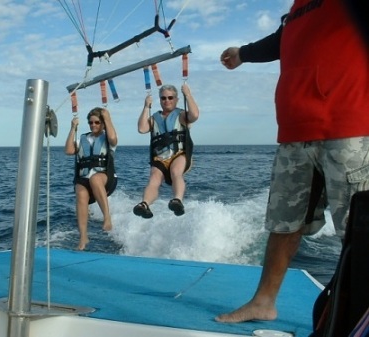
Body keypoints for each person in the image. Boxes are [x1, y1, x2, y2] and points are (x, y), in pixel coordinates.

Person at [215, 0, 369, 323]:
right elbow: (279, 41)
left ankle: (359, 319)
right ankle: (264, 302)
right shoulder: (300, 7)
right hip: (294, 131)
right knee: (283, 224)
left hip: (348, 127)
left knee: (358, 231)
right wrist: (242, 53)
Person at [133, 83, 199, 218]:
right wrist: (146, 106)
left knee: (176, 172)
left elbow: (195, 115)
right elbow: (142, 129)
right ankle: (145, 204)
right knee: (154, 178)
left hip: (179, 155)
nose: (167, 101)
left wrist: (188, 94)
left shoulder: (180, 115)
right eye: (163, 98)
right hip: (160, 158)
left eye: (170, 97)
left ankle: (177, 200)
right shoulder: (155, 118)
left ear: (176, 99)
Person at [65, 107, 118, 251]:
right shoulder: (83, 138)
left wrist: (107, 118)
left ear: (102, 123)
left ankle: (106, 217)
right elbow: (69, 150)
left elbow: (113, 139)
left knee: (95, 179)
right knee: (80, 192)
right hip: (84, 178)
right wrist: (72, 128)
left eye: (97, 122)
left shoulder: (107, 137)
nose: (94, 125)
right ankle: (83, 237)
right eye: (91, 123)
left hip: (106, 178)